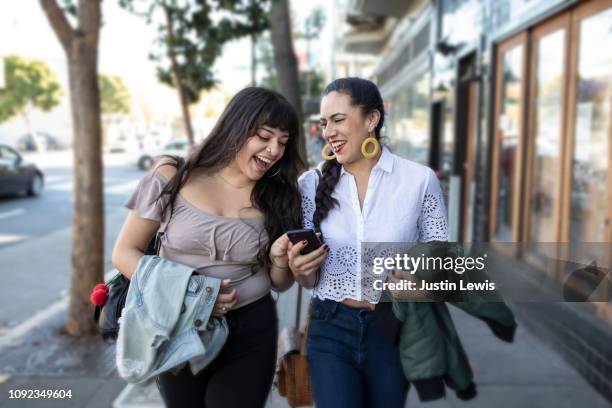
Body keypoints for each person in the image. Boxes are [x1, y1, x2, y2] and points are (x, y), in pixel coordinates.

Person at [112, 87, 303, 408]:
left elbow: (279, 283)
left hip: (251, 330)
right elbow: (124, 253)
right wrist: (196, 296)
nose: (273, 150)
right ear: (236, 128)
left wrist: (279, 260)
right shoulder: (172, 176)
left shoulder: (279, 197)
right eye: (264, 137)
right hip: (177, 325)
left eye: (282, 142)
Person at [285, 77, 449, 408]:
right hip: (329, 326)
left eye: (338, 119)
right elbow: (309, 278)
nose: (328, 130)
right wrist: (299, 269)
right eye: (324, 122)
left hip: (393, 328)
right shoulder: (310, 184)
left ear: (371, 119)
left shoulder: (419, 181)